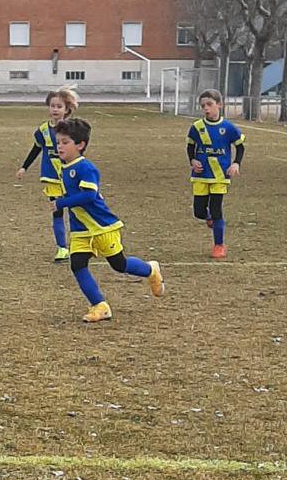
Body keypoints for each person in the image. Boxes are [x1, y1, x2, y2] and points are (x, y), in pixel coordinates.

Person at [54, 117, 164, 323]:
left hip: (102, 226)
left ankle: (151, 270)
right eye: (58, 141)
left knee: (119, 264)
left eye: (65, 142)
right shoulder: (64, 167)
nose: (59, 146)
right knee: (77, 264)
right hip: (81, 229)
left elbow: (89, 196)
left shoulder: (86, 168)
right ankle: (100, 305)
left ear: (80, 145)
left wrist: (62, 203)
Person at [16, 86, 79, 261]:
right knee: (57, 210)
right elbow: (36, 149)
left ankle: (80, 244)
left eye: (59, 106)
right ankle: (62, 248)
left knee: (76, 210)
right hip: (51, 177)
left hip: (71, 175)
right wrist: (24, 167)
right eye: (52, 106)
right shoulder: (43, 130)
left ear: (67, 109)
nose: (55, 109)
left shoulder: (73, 128)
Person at [187, 89, 245, 259]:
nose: (206, 108)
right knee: (199, 211)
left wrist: (236, 163)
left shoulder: (228, 127)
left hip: (220, 175)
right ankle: (209, 217)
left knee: (216, 209)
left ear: (219, 105)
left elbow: (240, 147)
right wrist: (192, 160)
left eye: (209, 104)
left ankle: (219, 245)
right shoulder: (197, 127)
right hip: (201, 175)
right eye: (203, 106)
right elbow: (190, 146)